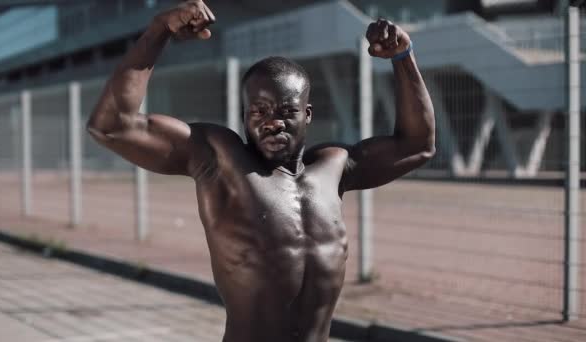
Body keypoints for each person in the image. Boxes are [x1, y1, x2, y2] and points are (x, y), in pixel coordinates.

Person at [87, 1, 435, 341]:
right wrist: (159, 30)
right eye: (260, 111)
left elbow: (418, 145)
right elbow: (112, 126)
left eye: (287, 110)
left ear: (307, 114)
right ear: (244, 116)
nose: (273, 122)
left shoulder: (333, 167)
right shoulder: (220, 159)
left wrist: (403, 58)